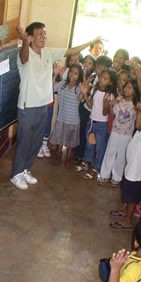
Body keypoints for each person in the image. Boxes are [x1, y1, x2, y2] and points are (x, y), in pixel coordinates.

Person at [10, 21, 102, 189]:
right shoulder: (25, 52)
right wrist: (24, 41)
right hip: (27, 106)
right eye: (40, 34)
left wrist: (90, 42)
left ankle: (24, 169)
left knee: (36, 142)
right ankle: (16, 174)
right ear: (31, 37)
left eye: (45, 33)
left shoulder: (48, 52)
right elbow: (24, 58)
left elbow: (71, 50)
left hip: (43, 104)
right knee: (25, 141)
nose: (44, 37)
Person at [75, 68, 117, 179]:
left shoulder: (109, 95)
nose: (102, 80)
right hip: (91, 122)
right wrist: (84, 94)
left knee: (99, 148)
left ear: (110, 82)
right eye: (101, 77)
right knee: (90, 144)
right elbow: (89, 106)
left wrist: (106, 104)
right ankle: (86, 161)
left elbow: (105, 112)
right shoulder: (95, 91)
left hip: (101, 125)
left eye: (105, 79)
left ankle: (96, 167)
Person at [97, 77, 139, 187]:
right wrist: (111, 104)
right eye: (126, 87)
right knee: (110, 152)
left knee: (121, 156)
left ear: (135, 90)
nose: (126, 90)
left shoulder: (136, 104)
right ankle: (104, 174)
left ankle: (117, 177)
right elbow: (113, 114)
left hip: (127, 134)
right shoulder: (119, 99)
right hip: (115, 131)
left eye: (130, 88)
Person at [49, 63, 84, 168]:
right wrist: (55, 75)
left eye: (76, 73)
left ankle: (68, 157)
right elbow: (52, 88)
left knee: (70, 142)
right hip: (61, 118)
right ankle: (58, 154)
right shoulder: (62, 84)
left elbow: (80, 99)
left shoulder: (78, 87)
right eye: (71, 72)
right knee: (59, 138)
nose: (72, 75)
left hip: (73, 120)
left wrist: (83, 91)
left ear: (79, 76)